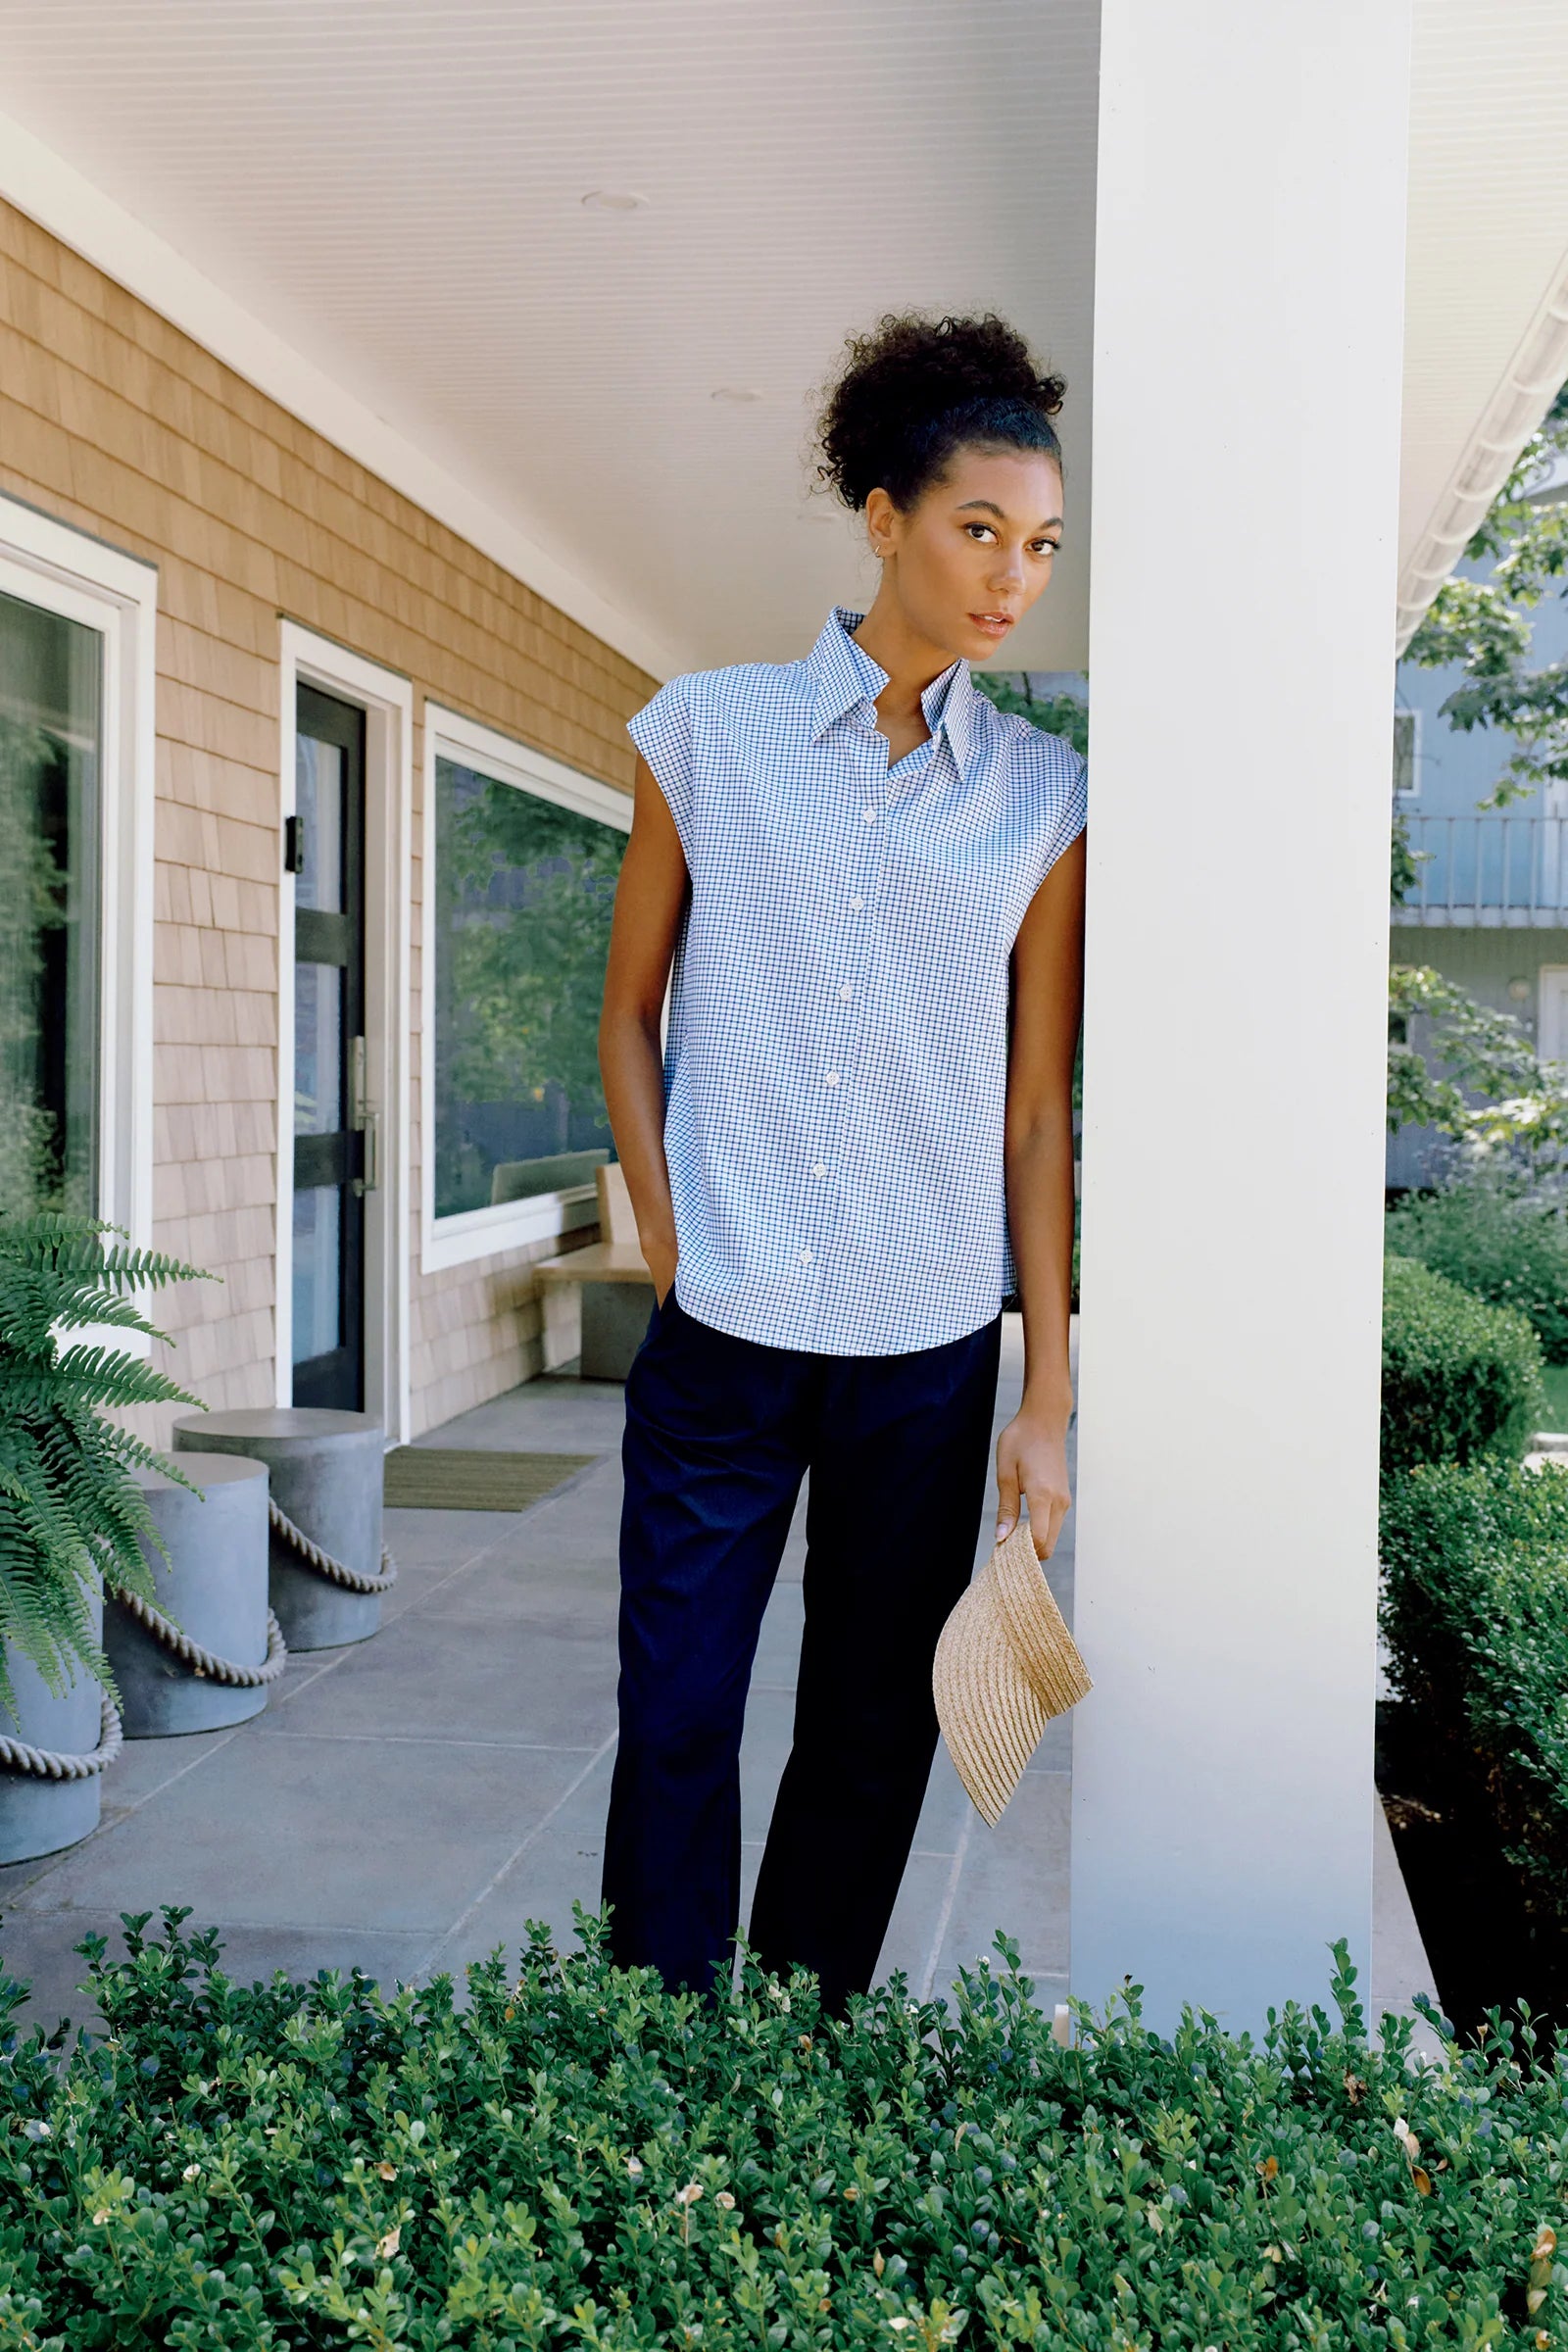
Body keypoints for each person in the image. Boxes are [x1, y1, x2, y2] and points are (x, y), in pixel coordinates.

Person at [596, 311, 1087, 2014]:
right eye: (978, 532)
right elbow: (627, 1020)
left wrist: (1047, 1388)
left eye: (1038, 545)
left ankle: (798, 2071)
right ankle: (653, 2066)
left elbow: (1038, 1111)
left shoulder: (1044, 799)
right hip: (725, 1335)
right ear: (883, 518)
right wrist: (675, 1249)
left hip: (929, 1354)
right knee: (673, 1712)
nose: (1011, 577)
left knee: (871, 1735)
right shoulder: (705, 735)